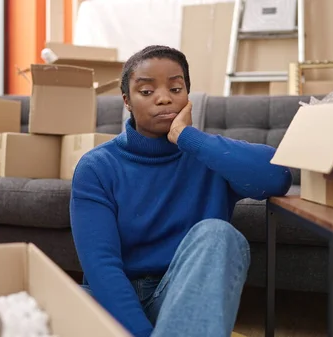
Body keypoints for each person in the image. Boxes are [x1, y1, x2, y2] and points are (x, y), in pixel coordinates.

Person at [70, 45, 292, 337]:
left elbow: (278, 176)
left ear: (188, 94)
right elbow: (102, 267)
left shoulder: (208, 155)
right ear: (127, 101)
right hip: (115, 301)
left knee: (218, 233)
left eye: (175, 88)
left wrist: (189, 139)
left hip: (186, 295)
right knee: (36, 305)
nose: (163, 98)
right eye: (146, 92)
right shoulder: (97, 166)